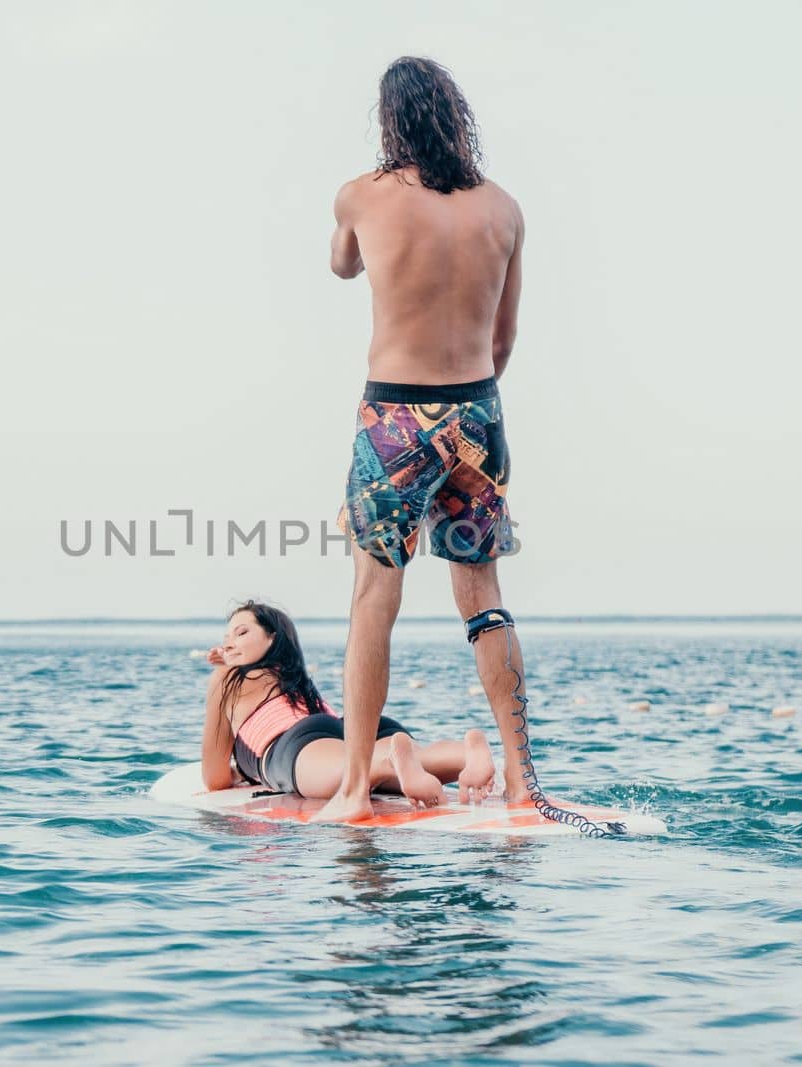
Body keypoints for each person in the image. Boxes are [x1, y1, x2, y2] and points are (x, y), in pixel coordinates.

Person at [313, 56, 531, 824]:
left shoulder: (360, 197)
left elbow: (340, 265)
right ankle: (523, 785)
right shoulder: (503, 209)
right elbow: (503, 342)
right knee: (484, 596)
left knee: (376, 596)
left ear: (389, 122)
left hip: (395, 418)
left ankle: (350, 792)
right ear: (455, 116)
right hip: (477, 411)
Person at [201, 601, 497, 808]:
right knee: (417, 758)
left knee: (354, 773)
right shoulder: (295, 678)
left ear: (272, 639)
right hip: (345, 726)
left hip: (290, 746)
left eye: (241, 633)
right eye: (226, 636)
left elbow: (214, 778)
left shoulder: (228, 678)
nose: (228, 643)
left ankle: (390, 762)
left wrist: (241, 770)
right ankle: (464, 754)